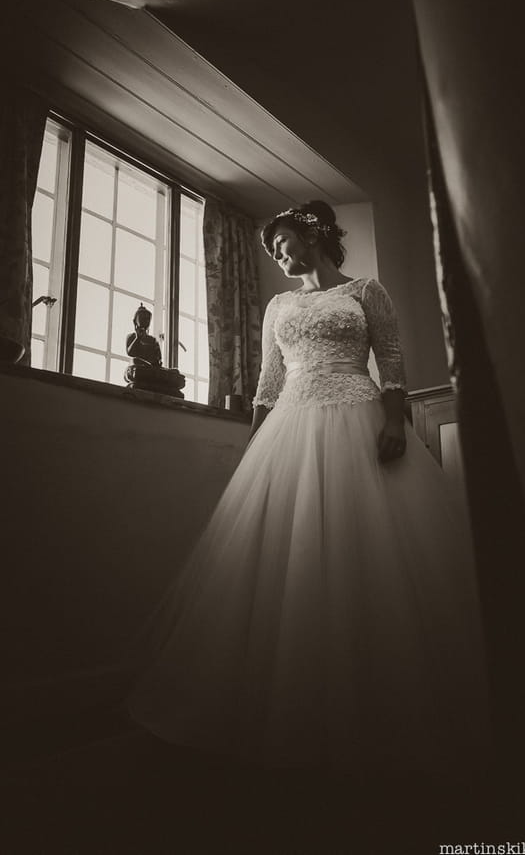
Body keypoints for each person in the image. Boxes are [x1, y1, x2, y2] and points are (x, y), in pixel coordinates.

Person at [127, 200, 491, 778]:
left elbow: (392, 362)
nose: (275, 253)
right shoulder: (277, 306)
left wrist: (395, 422)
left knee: (372, 553)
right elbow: (269, 382)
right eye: (269, 248)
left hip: (361, 413)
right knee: (285, 560)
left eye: (282, 242)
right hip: (290, 426)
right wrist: (253, 449)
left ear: (313, 234)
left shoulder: (367, 291)